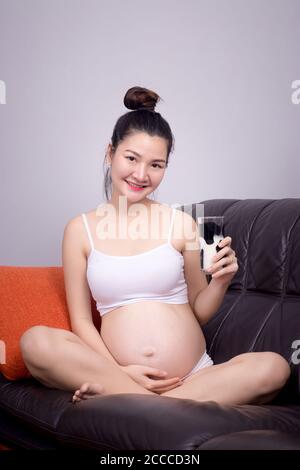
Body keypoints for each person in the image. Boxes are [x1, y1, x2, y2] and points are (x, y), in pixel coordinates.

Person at [20, 86, 290, 406]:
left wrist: (220, 281)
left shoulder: (183, 223)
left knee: (274, 367)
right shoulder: (79, 230)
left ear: (165, 167)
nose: (141, 174)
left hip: (194, 375)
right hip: (120, 371)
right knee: (35, 342)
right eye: (131, 158)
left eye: (156, 165)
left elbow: (198, 311)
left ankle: (132, 401)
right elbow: (81, 321)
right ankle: (152, 400)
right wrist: (118, 370)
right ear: (110, 153)